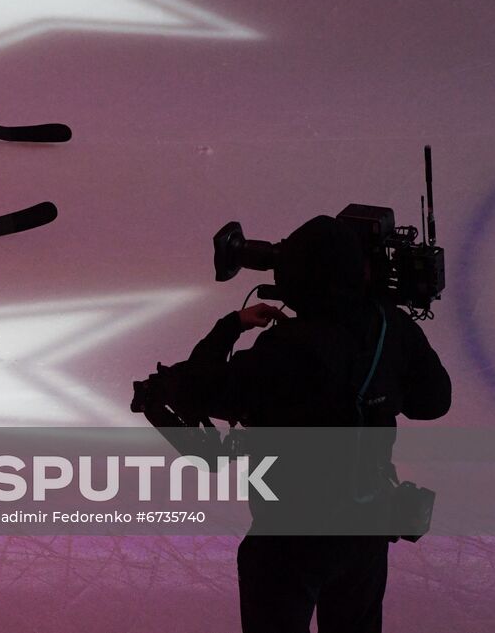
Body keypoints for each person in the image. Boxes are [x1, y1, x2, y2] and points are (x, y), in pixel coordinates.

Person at [174, 215, 452, 633]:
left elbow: (196, 389)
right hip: (366, 532)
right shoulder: (390, 328)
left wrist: (230, 326)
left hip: (288, 541)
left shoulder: (281, 350)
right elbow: (433, 403)